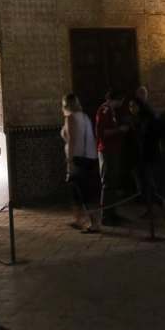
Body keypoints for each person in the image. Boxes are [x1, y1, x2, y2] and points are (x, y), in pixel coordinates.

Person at [61, 93, 100, 233]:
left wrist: (69, 162)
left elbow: (72, 140)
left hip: (78, 159)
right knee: (80, 192)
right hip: (90, 157)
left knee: (83, 192)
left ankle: (93, 223)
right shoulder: (84, 116)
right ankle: (80, 219)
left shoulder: (70, 118)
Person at [94, 91, 129, 223]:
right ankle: (106, 216)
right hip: (106, 151)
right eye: (122, 101)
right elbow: (102, 133)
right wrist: (120, 130)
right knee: (108, 183)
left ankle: (112, 213)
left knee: (113, 183)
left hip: (112, 150)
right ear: (118, 99)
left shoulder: (111, 110)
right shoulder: (104, 110)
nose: (122, 104)